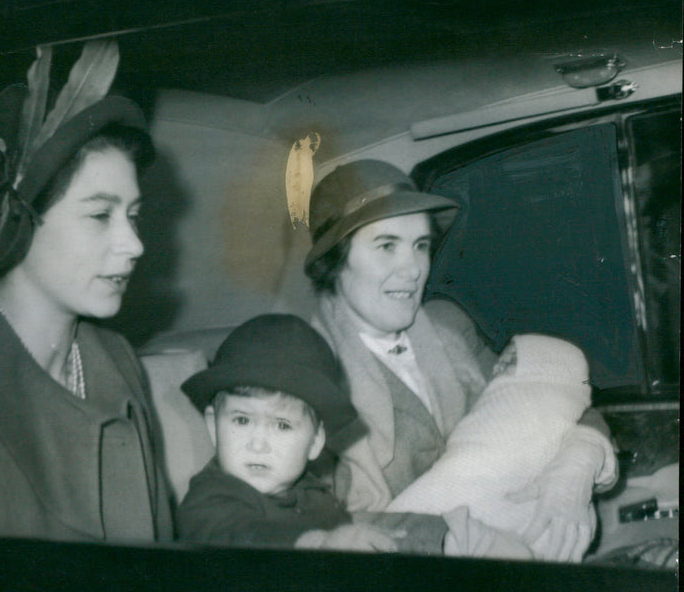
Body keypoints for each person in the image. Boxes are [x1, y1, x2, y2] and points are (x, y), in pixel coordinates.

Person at [304, 159, 618, 562]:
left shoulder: (448, 328)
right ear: (334, 262)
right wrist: (462, 540)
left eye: (420, 245)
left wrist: (578, 462)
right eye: (387, 246)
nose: (413, 268)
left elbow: (543, 401)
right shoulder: (305, 371)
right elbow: (314, 528)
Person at [0, 41, 173, 544]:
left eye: (134, 216)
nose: (134, 244)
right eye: (100, 215)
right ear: (19, 221)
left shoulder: (116, 361)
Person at [176, 314, 532, 560]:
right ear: (213, 425)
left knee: (417, 533)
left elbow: (353, 530)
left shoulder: (312, 492)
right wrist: (319, 543)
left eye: (282, 426)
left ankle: (463, 541)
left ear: (315, 442)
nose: (257, 443)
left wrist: (438, 535)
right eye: (241, 420)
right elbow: (236, 537)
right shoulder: (211, 499)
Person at [387, 334, 616, 561]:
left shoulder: (459, 346)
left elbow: (571, 393)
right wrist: (458, 538)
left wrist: (585, 448)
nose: (500, 366)